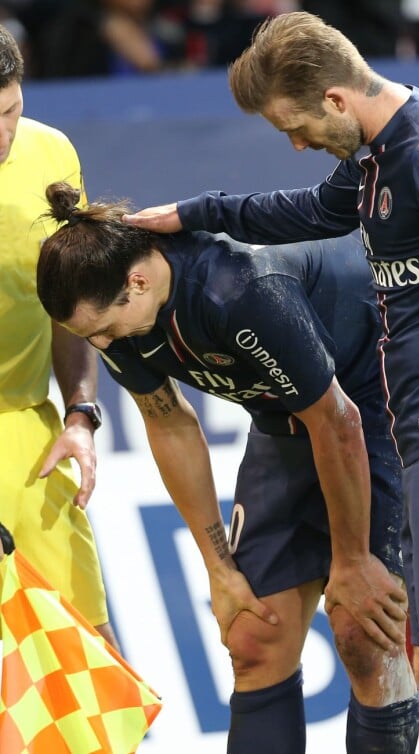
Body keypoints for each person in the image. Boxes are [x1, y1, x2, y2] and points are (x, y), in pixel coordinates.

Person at [122, 11, 419, 754]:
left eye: (296, 126)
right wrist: (198, 214)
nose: (295, 144)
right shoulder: (381, 157)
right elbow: (315, 212)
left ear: (337, 102)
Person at [36, 181, 419, 754]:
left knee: (363, 633)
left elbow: (337, 423)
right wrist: (219, 571)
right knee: (251, 634)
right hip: (288, 415)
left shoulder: (238, 291)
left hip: (376, 401)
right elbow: (169, 424)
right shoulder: (116, 312)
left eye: (104, 330)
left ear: (137, 282)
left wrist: (353, 561)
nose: (102, 344)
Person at [0, 24, 117, 647]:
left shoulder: (51, 153)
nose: (3, 136)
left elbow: (64, 305)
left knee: (91, 665)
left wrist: (79, 413)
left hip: (30, 429)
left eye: (11, 111)